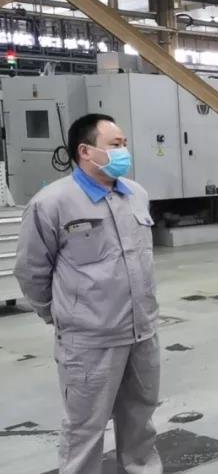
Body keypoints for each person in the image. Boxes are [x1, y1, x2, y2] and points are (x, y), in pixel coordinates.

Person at [15, 113, 163, 474]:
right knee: (85, 427)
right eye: (115, 145)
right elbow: (31, 270)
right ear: (85, 151)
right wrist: (61, 314)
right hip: (89, 340)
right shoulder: (52, 203)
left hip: (142, 332)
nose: (124, 151)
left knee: (140, 417)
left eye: (124, 144)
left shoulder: (136, 195)